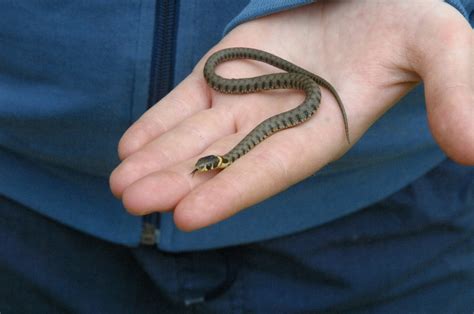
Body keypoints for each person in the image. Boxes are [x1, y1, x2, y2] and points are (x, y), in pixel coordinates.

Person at [1, 0, 472, 313]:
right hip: (30, 202)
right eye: (206, 165)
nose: (204, 166)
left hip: (392, 217)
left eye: (206, 164)